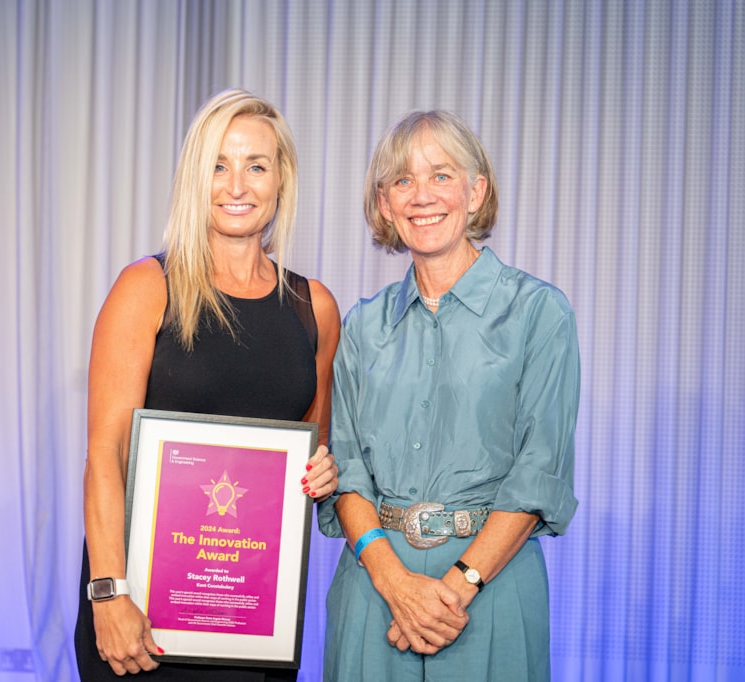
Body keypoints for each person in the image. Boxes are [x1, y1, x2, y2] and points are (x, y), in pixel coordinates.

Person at [75, 89, 341, 681]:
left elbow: (310, 448)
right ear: (196, 178)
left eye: (255, 165)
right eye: (218, 165)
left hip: (253, 624)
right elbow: (104, 455)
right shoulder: (146, 287)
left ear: (281, 179)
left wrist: (323, 470)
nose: (236, 185)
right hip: (138, 614)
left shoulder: (314, 308)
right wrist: (108, 592)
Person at [318, 110, 580, 681]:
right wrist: (395, 584)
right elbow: (347, 469)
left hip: (491, 596)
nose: (422, 195)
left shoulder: (539, 314)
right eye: (402, 181)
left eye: (441, 175)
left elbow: (538, 472)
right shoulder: (360, 327)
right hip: (374, 596)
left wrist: (455, 590)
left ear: (476, 190)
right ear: (384, 203)